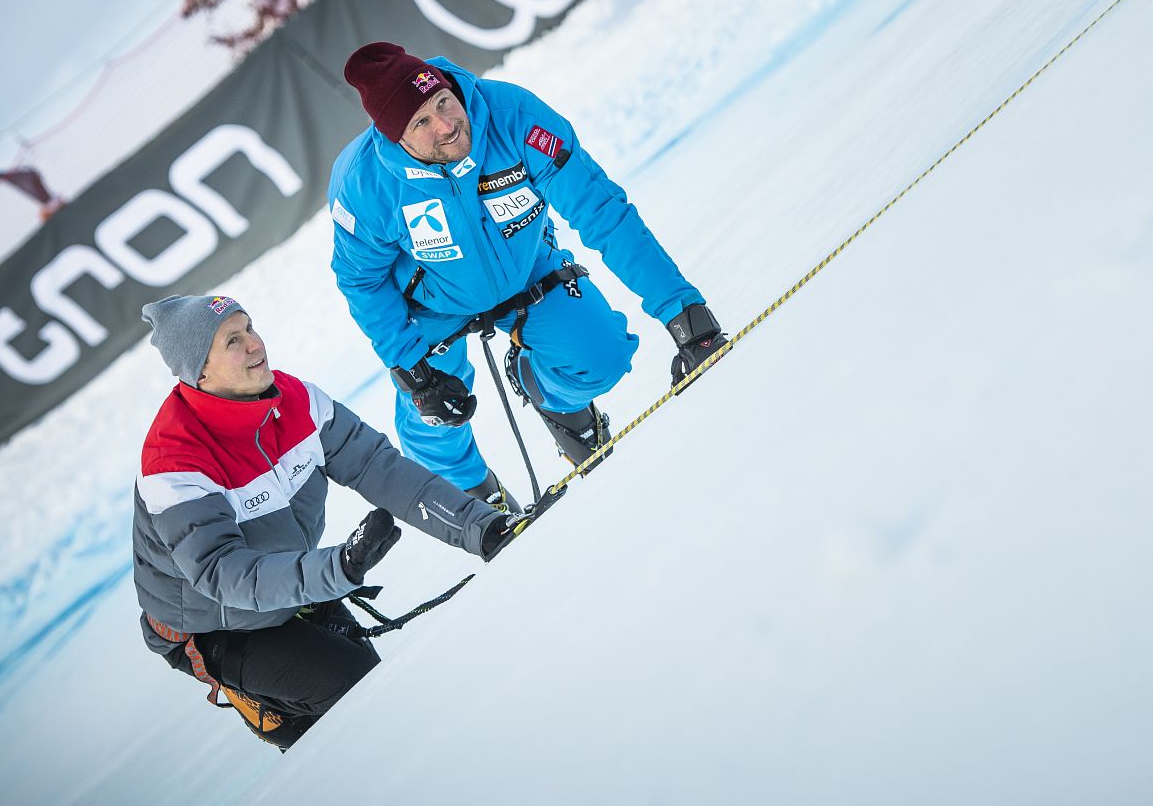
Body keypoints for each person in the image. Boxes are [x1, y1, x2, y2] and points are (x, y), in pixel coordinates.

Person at [327, 42, 728, 504]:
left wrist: (683, 311)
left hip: (526, 265)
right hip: (430, 304)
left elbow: (602, 212)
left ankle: (545, 390)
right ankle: (476, 501)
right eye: (421, 122)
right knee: (435, 418)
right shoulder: (363, 185)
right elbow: (362, 279)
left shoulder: (515, 116)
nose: (446, 124)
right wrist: (413, 369)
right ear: (398, 139)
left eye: (443, 102)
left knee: (603, 356)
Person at [131, 293, 522, 749]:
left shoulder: (296, 401)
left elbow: (381, 469)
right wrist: (338, 569)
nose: (255, 345)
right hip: (213, 624)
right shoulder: (174, 462)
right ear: (199, 372)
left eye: (250, 327)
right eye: (233, 341)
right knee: (357, 696)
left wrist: (483, 528)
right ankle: (271, 714)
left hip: (295, 584)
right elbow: (223, 573)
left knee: (379, 692)